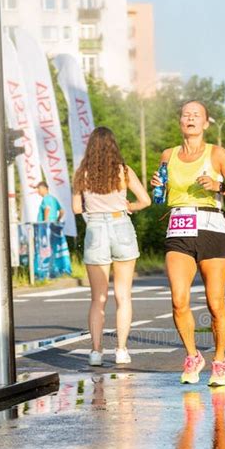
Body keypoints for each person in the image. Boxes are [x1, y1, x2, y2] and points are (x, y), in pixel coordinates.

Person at [151, 100, 225, 387]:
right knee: (179, 300)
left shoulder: (216, 153)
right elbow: (161, 196)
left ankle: (219, 360)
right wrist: (158, 186)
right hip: (179, 227)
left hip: (212, 228)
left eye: (196, 115)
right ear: (180, 121)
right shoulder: (168, 155)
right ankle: (193, 356)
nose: (190, 118)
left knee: (214, 302)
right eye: (186, 114)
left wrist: (218, 186)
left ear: (205, 124)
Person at [72, 126, 151, 366]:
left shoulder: (81, 174)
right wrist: (129, 206)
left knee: (98, 298)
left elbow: (77, 209)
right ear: (113, 147)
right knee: (123, 296)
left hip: (95, 229)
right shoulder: (124, 172)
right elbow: (145, 201)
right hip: (121, 225)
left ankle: (96, 352)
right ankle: (121, 350)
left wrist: (95, 211)